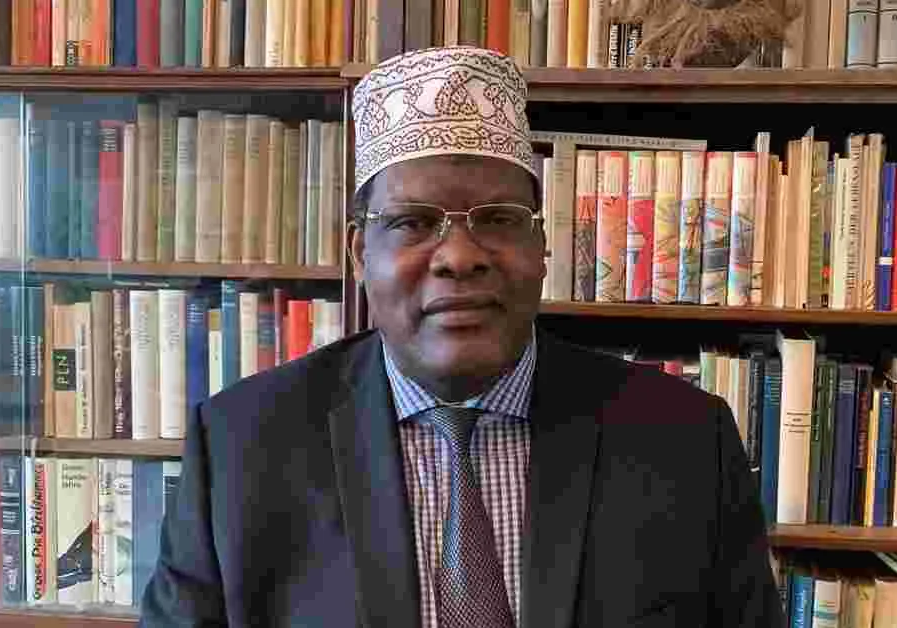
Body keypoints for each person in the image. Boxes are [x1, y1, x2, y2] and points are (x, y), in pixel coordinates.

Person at [139, 45, 785, 628]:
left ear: (542, 247)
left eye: (498, 219)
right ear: (361, 254)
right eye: (414, 222)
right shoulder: (243, 446)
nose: (460, 257)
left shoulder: (684, 440)